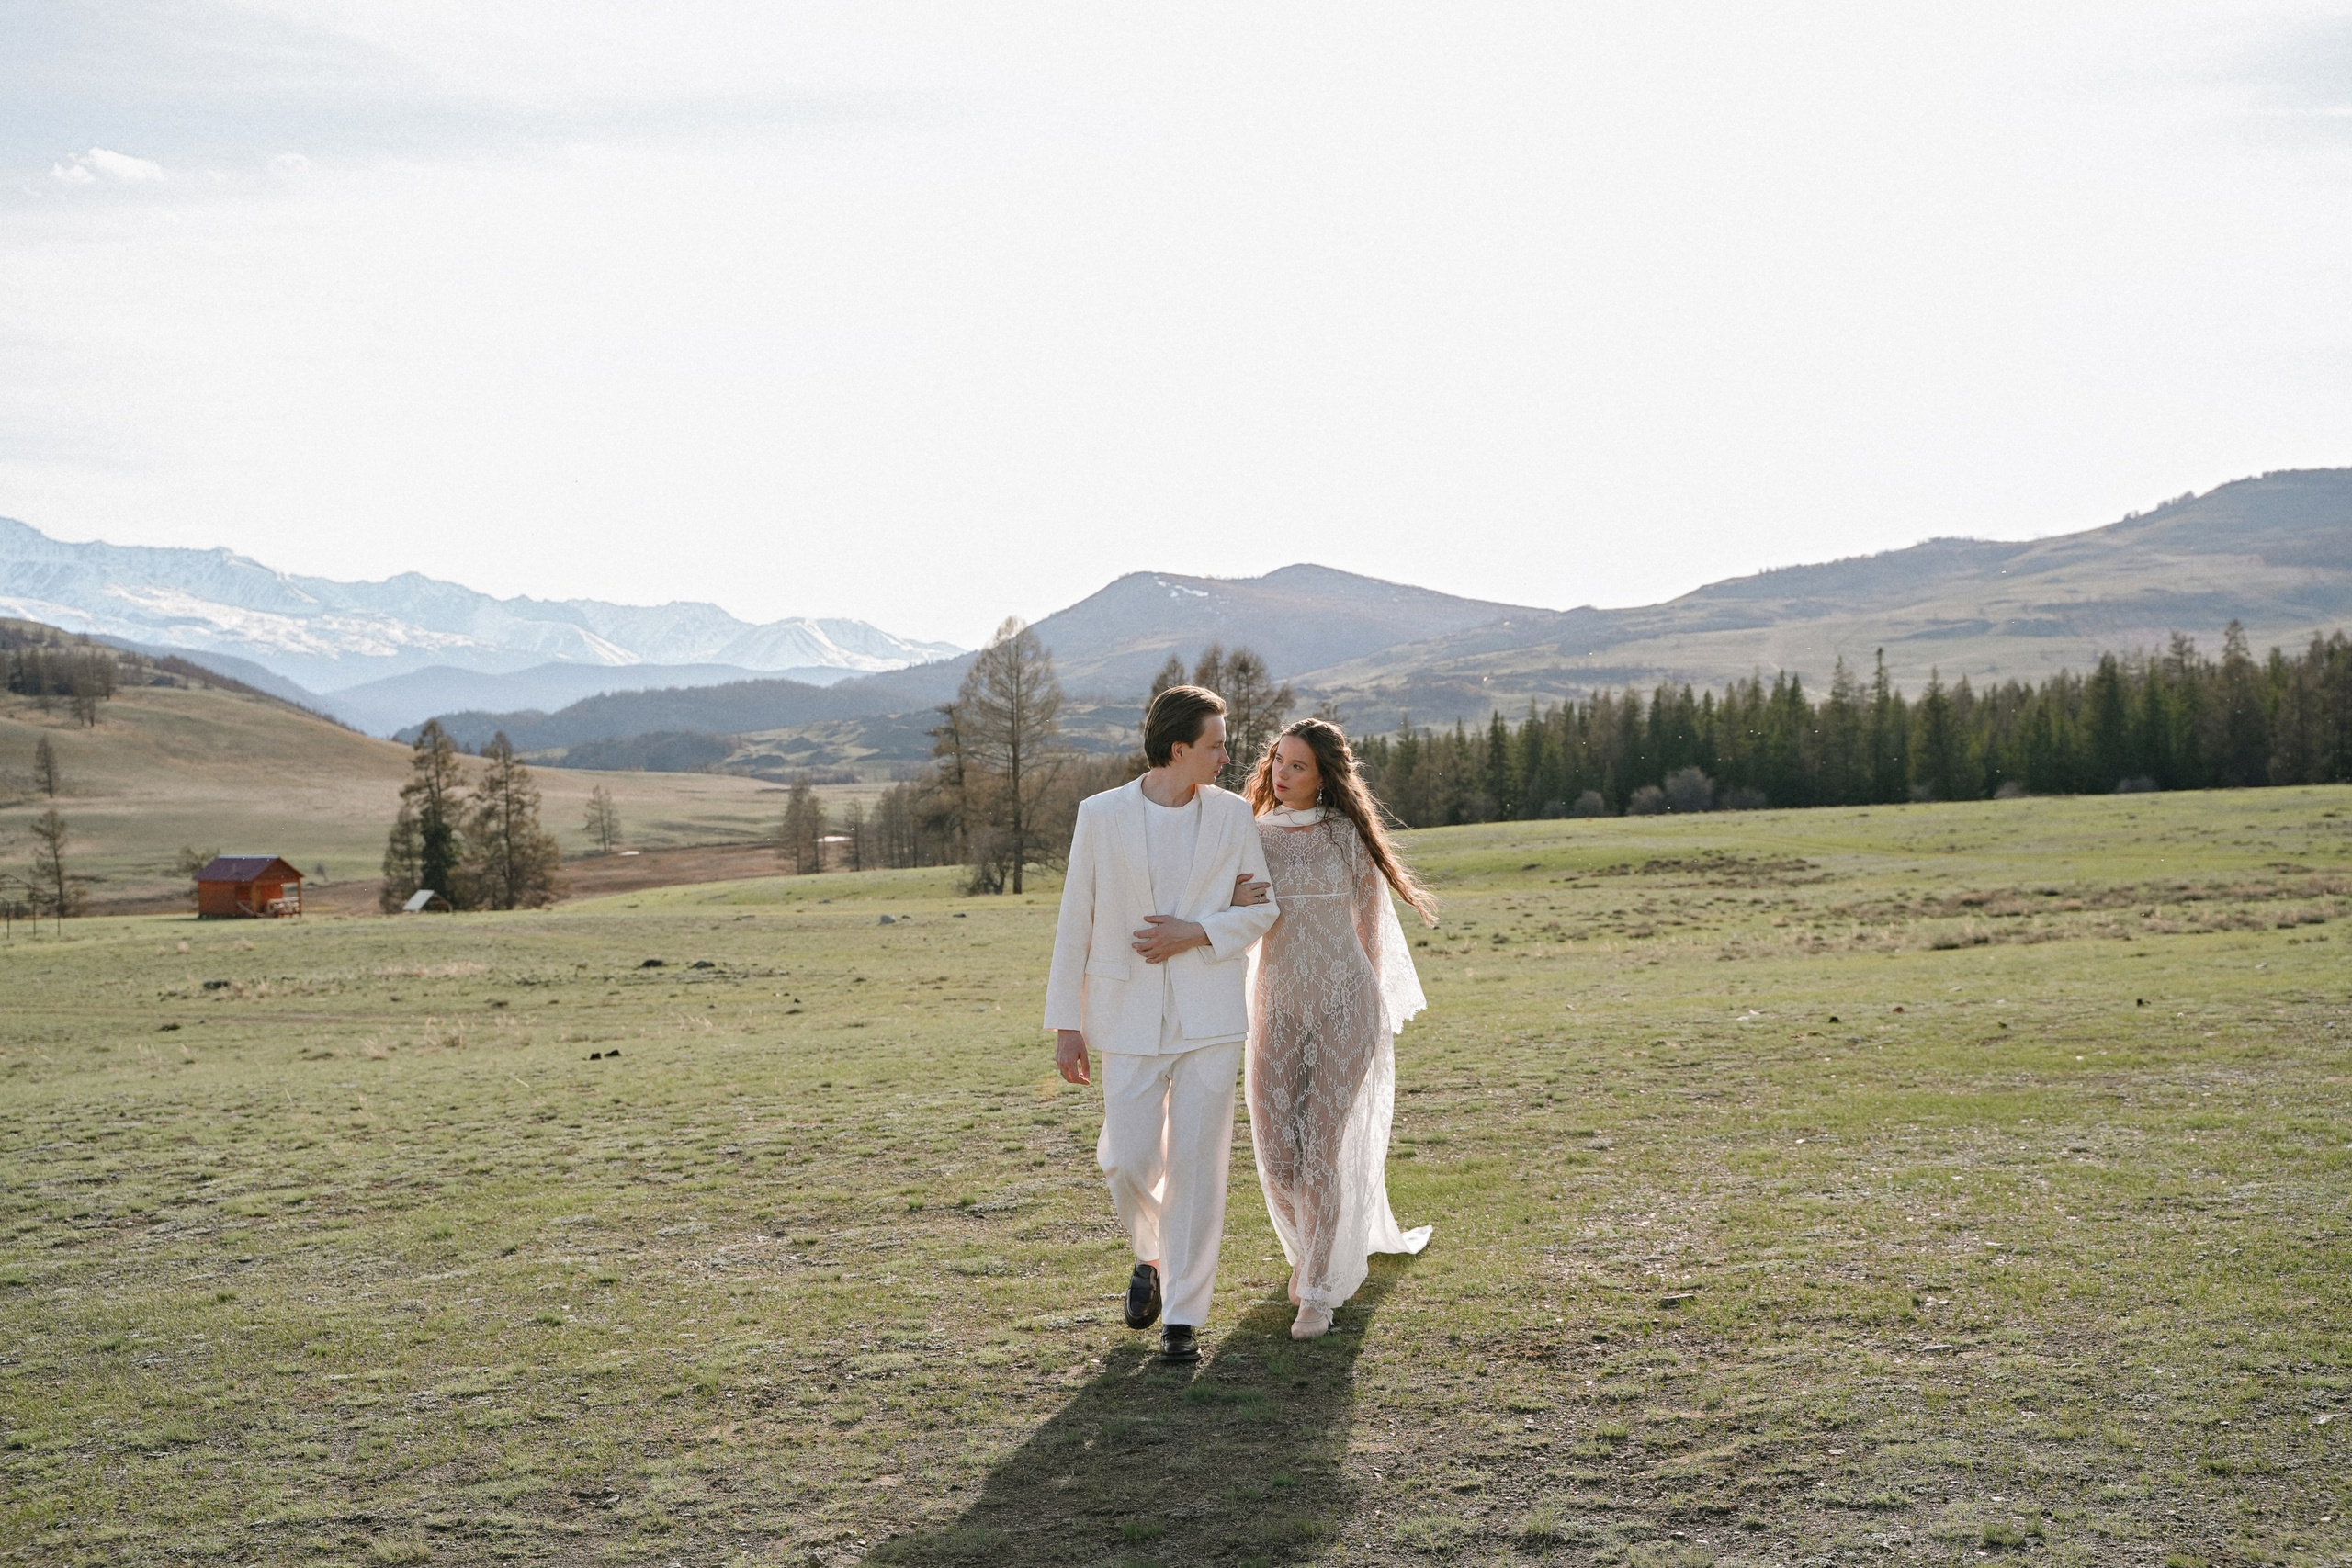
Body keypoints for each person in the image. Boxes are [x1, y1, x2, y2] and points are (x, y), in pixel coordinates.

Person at [1043, 685, 1280, 1364]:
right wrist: (1067, 1023)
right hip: (1123, 1016)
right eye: (1216, 744)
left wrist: (1196, 930)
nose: (1228, 756)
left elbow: (1261, 908)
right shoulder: (1100, 815)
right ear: (1180, 749)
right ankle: (1148, 1256)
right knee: (1126, 1159)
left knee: (1199, 1168)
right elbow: (1075, 922)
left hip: (1209, 1016)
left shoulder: (1234, 816)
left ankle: (1182, 1316)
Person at [1241, 716, 1436, 1340]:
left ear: (1324, 774)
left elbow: (1370, 931)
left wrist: (1369, 1009)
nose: (1282, 772)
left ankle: (1319, 1289)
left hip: (1347, 1002)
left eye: (1298, 764)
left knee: (1320, 1142)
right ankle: (1312, 1249)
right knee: (1276, 1153)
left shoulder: (1346, 836)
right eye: (1279, 760)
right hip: (1275, 1004)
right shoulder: (1251, 836)